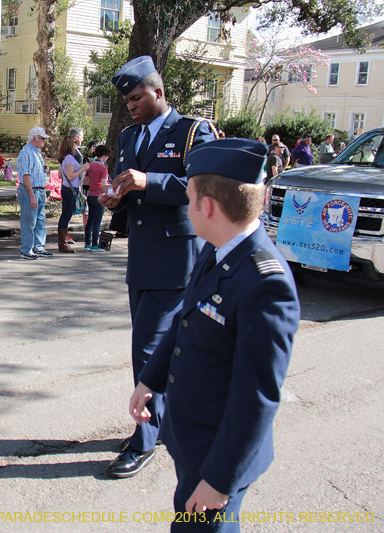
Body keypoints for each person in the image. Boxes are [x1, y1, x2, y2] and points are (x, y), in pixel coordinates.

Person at [128, 138, 300, 531]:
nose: (187, 208)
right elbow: (184, 320)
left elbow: (256, 396)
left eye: (189, 200)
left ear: (207, 207)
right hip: (192, 437)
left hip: (218, 452)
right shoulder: (217, 248)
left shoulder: (265, 283)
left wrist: (221, 480)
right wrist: (149, 380)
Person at [99, 56, 218, 479]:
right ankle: (165, 422)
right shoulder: (129, 137)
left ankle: (144, 440)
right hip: (142, 258)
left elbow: (204, 187)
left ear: (158, 92)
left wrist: (149, 181)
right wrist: (115, 198)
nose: (131, 106)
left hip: (177, 259)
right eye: (127, 101)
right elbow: (125, 186)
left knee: (147, 350)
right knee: (159, 349)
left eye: (136, 98)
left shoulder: (192, 131)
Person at [16, 126, 52, 260]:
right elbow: (26, 176)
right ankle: (26, 250)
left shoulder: (36, 152)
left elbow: (33, 170)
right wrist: (32, 196)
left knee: (40, 221)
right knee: (29, 222)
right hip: (30, 191)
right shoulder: (27, 153)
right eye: (43, 138)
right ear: (35, 138)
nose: (44, 141)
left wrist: (45, 168)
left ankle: (38, 247)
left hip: (40, 190)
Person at [57, 128, 89, 253]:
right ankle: (63, 243)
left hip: (68, 188)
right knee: (66, 216)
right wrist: (83, 169)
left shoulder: (65, 158)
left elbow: (61, 175)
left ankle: (63, 242)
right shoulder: (70, 158)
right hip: (69, 189)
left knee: (66, 215)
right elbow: (70, 176)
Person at [83, 145, 110, 251]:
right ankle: (95, 244)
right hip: (99, 195)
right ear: (104, 155)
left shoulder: (90, 166)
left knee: (90, 219)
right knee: (97, 221)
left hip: (90, 195)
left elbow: (85, 181)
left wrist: (93, 183)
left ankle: (87, 243)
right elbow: (104, 185)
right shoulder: (103, 168)